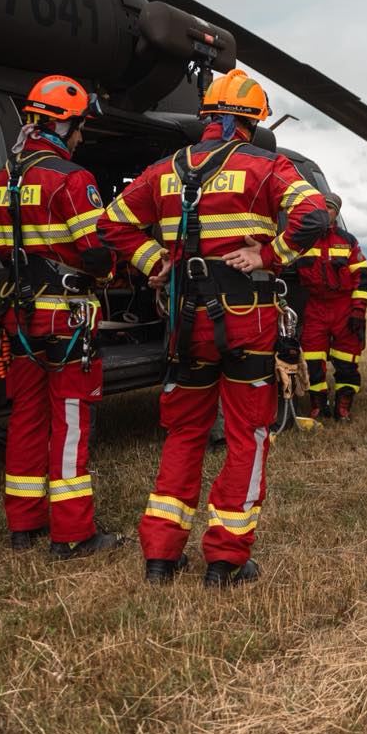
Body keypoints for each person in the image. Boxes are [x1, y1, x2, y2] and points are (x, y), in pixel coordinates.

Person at [99, 69, 328, 585]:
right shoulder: (266, 166)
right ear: (250, 122)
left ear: (207, 118)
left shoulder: (163, 170)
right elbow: (314, 216)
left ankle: (160, 556)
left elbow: (111, 221)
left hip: (185, 325)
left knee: (184, 433)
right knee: (247, 434)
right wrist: (269, 253)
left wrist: (154, 259)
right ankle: (225, 560)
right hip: (247, 323)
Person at [0, 74, 119, 560]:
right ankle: (72, 533)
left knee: (25, 418)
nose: (82, 137)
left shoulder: (0, 181)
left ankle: (23, 525)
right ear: (64, 124)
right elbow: (96, 254)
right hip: (66, 319)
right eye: (80, 127)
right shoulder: (71, 178)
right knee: (70, 422)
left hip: (18, 316)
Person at [294, 192, 367, 426]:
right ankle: (319, 405)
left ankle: (343, 407)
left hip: (344, 307)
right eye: (319, 208)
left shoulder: (348, 241)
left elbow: (362, 277)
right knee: (313, 360)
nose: (324, 212)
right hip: (316, 306)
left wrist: (358, 310)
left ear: (336, 213)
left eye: (329, 209)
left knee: (347, 361)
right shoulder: (301, 240)